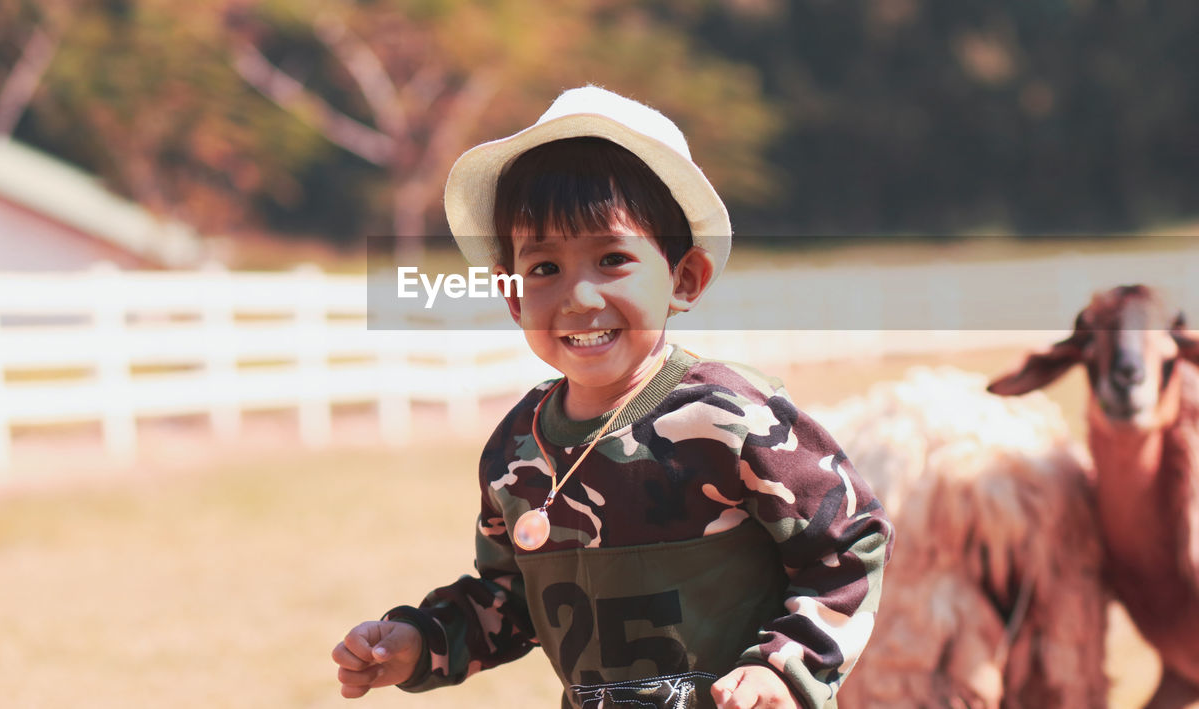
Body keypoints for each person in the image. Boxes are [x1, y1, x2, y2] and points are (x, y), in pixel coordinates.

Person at [334, 86, 893, 709]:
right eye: (545, 268)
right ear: (514, 295)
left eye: (611, 258)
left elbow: (851, 546)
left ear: (684, 278)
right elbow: (509, 602)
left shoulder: (731, 418)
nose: (580, 297)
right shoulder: (519, 448)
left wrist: (782, 670)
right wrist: (420, 641)